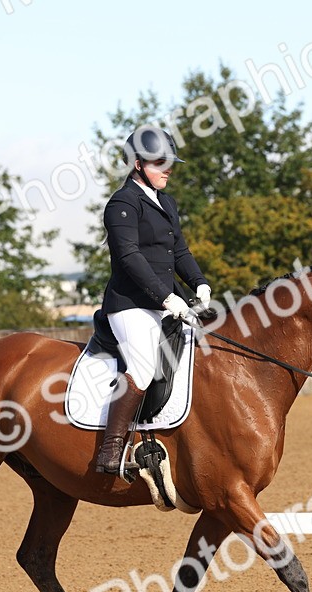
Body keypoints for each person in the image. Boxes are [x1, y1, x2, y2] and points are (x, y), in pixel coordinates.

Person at [94, 125, 212, 474]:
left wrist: (199, 283)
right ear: (136, 165)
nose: (168, 168)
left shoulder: (167, 202)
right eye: (160, 162)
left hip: (165, 303)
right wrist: (166, 297)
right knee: (144, 368)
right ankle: (111, 452)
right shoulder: (122, 203)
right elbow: (129, 257)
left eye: (169, 162)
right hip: (130, 305)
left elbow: (179, 251)